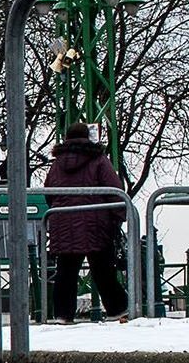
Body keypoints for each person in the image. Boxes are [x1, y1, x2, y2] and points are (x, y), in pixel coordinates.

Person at [41, 123, 129, 321]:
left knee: (65, 271)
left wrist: (61, 214)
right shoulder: (98, 160)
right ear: (87, 137)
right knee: (103, 269)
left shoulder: (56, 165)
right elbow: (114, 190)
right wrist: (117, 218)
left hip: (63, 223)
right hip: (96, 223)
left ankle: (63, 314)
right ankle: (118, 309)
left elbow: (49, 194)